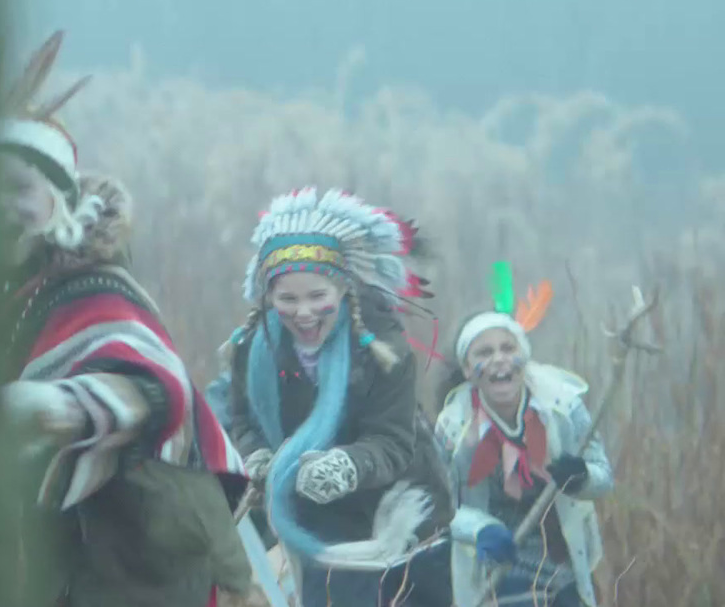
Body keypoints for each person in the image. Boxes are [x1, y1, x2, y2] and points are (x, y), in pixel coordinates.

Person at [0, 31, 268, 607]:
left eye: (19, 188)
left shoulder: (95, 289)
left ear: (60, 202)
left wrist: (59, 407)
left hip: (147, 554)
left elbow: (160, 392)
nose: (0, 205)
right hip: (66, 556)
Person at [222, 187, 454, 606]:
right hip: (320, 529)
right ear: (268, 297)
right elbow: (244, 421)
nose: (303, 312)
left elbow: (394, 440)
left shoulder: (382, 348)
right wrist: (255, 456)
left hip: (406, 514)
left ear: (343, 290)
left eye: (317, 297)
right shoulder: (251, 349)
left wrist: (345, 466)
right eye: (287, 299)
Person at [433, 265, 612, 606]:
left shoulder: (563, 407)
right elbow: (441, 507)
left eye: (507, 348)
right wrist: (479, 529)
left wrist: (581, 477)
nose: (500, 360)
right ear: (469, 370)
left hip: (564, 567)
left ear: (523, 358)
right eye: (484, 353)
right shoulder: (452, 428)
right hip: (495, 571)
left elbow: (604, 477)